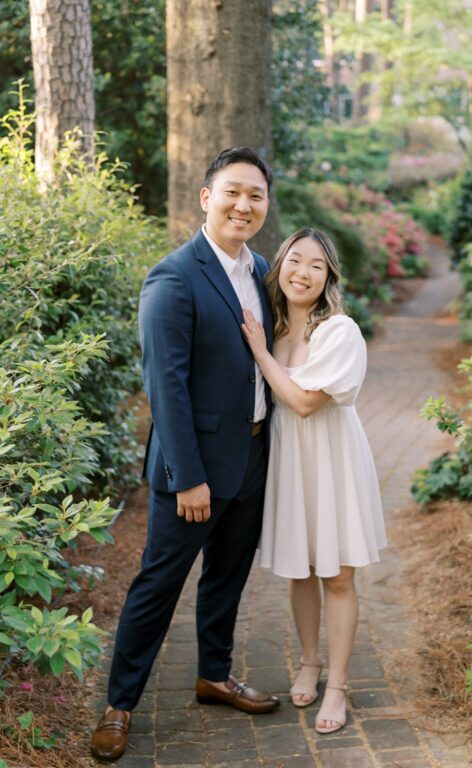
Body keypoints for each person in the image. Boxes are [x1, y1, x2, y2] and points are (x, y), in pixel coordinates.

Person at [92, 147, 280, 764]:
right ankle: (120, 704)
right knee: (158, 584)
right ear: (206, 197)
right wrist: (186, 479)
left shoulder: (261, 273)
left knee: (228, 577)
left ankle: (214, 676)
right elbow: (164, 387)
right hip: (193, 471)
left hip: (254, 457)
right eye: (232, 192)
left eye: (255, 195)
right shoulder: (174, 276)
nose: (243, 205)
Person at [240, 227, 386, 735]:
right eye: (295, 261)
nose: (303, 272)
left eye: (316, 266)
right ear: (279, 267)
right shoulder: (274, 327)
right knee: (301, 570)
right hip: (289, 460)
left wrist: (260, 353)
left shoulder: (338, 332)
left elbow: (303, 403)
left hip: (330, 457)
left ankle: (340, 685)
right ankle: (309, 661)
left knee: (338, 576)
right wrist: (265, 344)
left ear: (329, 279)